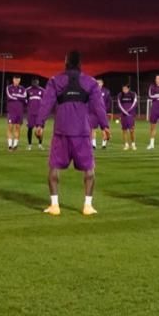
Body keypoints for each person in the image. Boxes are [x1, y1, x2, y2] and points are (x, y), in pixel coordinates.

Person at [35, 50, 110, 215]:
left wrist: (40, 123)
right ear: (80, 63)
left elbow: (46, 103)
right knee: (89, 168)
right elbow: (99, 106)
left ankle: (55, 206)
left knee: (54, 167)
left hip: (61, 131)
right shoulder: (90, 82)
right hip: (82, 131)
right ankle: (88, 206)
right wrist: (105, 126)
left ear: (66, 62)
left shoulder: (55, 81)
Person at [5, 74, 27, 150]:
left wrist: (15, 96)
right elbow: (9, 96)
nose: (17, 81)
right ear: (13, 80)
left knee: (17, 128)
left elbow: (24, 97)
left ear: (20, 80)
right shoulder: (8, 88)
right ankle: (10, 145)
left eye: (18, 80)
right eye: (15, 79)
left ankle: (15, 145)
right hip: (11, 111)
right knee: (10, 127)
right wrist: (19, 97)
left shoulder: (23, 89)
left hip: (20, 112)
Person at [25, 77, 45, 149]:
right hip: (31, 113)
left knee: (40, 129)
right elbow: (24, 100)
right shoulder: (27, 90)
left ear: (38, 82)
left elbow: (45, 102)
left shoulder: (42, 90)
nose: (35, 83)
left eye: (36, 82)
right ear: (32, 82)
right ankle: (29, 145)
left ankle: (40, 144)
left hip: (39, 114)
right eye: (34, 82)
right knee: (30, 128)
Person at [116, 83, 138, 148]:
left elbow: (135, 103)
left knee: (132, 130)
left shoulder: (133, 94)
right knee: (124, 130)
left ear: (128, 88)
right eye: (123, 88)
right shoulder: (120, 95)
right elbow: (119, 104)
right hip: (123, 115)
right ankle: (126, 145)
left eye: (125, 88)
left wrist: (128, 111)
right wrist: (124, 112)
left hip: (131, 115)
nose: (124, 90)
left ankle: (133, 144)